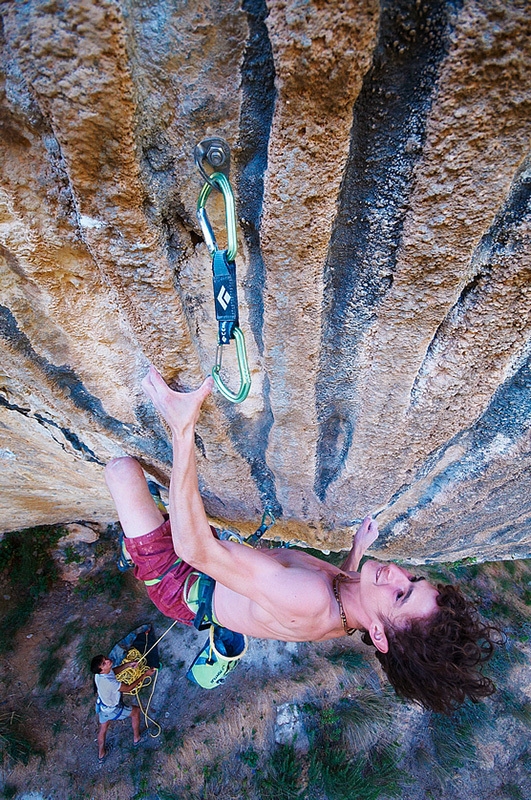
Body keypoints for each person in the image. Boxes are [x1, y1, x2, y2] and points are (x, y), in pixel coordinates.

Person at [104, 366, 500, 714]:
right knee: (174, 505)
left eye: (400, 595)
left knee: (122, 471)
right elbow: (340, 589)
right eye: (412, 581)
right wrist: (357, 550)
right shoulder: (355, 615)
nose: (397, 573)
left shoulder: (307, 599)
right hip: (224, 571)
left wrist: (182, 426)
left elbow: (193, 549)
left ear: (380, 634)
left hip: (182, 578)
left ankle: (134, 555)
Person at [90, 654, 155, 762]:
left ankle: (101, 755)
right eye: (104, 663)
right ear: (101, 670)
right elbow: (129, 688)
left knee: (103, 729)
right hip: (113, 709)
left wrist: (128, 665)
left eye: (105, 659)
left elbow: (112, 672)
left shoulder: (99, 675)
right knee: (136, 712)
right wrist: (145, 675)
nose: (107, 660)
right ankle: (137, 739)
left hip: (103, 707)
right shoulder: (110, 683)